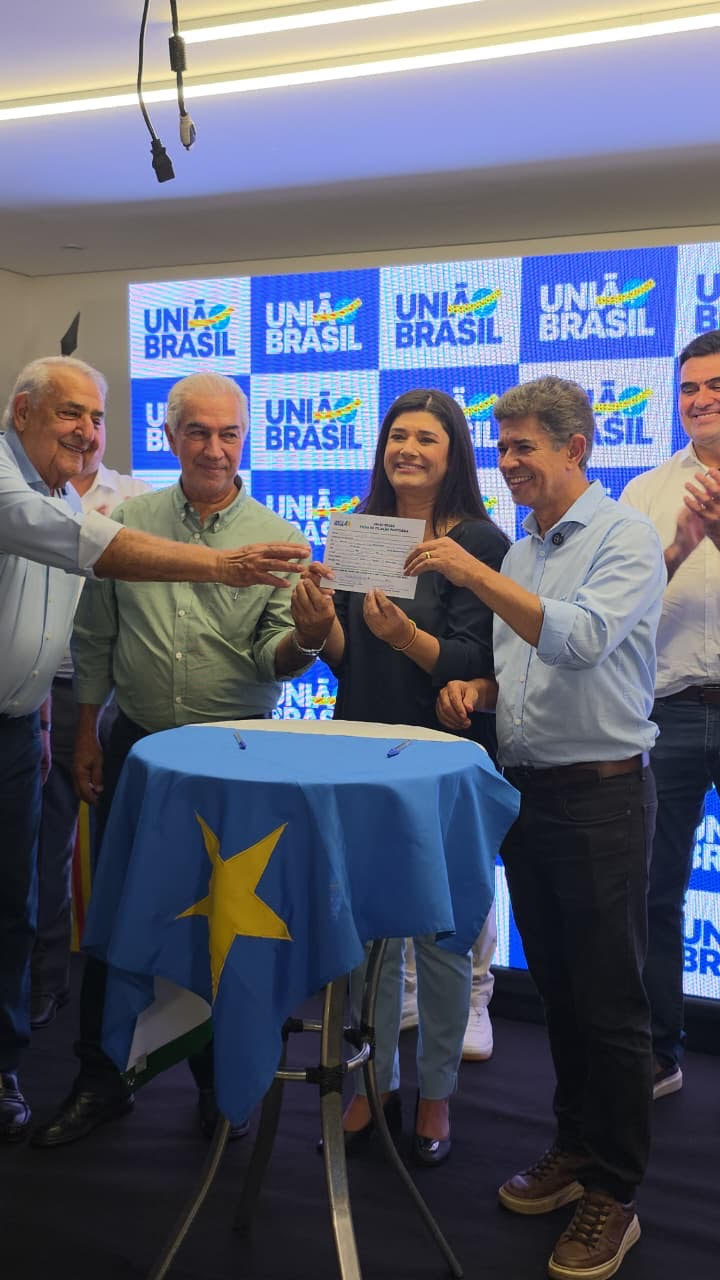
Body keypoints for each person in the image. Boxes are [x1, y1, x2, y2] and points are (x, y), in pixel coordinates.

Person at [0, 356, 308, 1144]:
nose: (214, 449)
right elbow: (96, 635)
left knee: (227, 929)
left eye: (229, 434)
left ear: (247, 440)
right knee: (115, 919)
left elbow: (277, 652)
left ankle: (222, 1086)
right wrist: (88, 730)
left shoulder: (279, 539)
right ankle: (103, 1079)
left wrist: (307, 640)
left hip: (236, 755)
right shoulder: (123, 521)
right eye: (197, 432)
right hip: (135, 745)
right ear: (169, 437)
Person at [429, 375, 665, 1280]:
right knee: (562, 995)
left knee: (610, 1005)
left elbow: (578, 640)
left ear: (577, 449)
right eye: (502, 446)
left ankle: (616, 1191)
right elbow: (528, 665)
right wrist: (480, 687)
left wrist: (473, 572)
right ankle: (575, 1148)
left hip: (603, 799)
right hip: (528, 794)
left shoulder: (624, 536)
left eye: (523, 446)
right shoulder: (524, 550)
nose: (507, 462)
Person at [291, 387, 509, 1166]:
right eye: (397, 436)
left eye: (426, 438)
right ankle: (372, 1083)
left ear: (454, 454)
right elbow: (353, 660)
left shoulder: (478, 542)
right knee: (367, 938)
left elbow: (476, 661)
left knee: (443, 944)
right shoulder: (365, 529)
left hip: (444, 761)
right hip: (362, 756)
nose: (408, 449)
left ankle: (437, 1094)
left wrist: (406, 634)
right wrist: (320, 630)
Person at [620, 328, 720, 1100]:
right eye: (689, 387)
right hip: (671, 710)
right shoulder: (646, 492)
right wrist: (682, 546)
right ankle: (658, 1049)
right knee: (653, 889)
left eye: (715, 385)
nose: (700, 399)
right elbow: (617, 612)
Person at [31, 422, 150, 1032]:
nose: (86, 431)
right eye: (69, 416)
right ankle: (44, 982)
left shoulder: (136, 498)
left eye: (97, 418)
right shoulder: (20, 498)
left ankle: (133, 994)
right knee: (43, 848)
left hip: (121, 696)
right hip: (41, 692)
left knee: (121, 852)